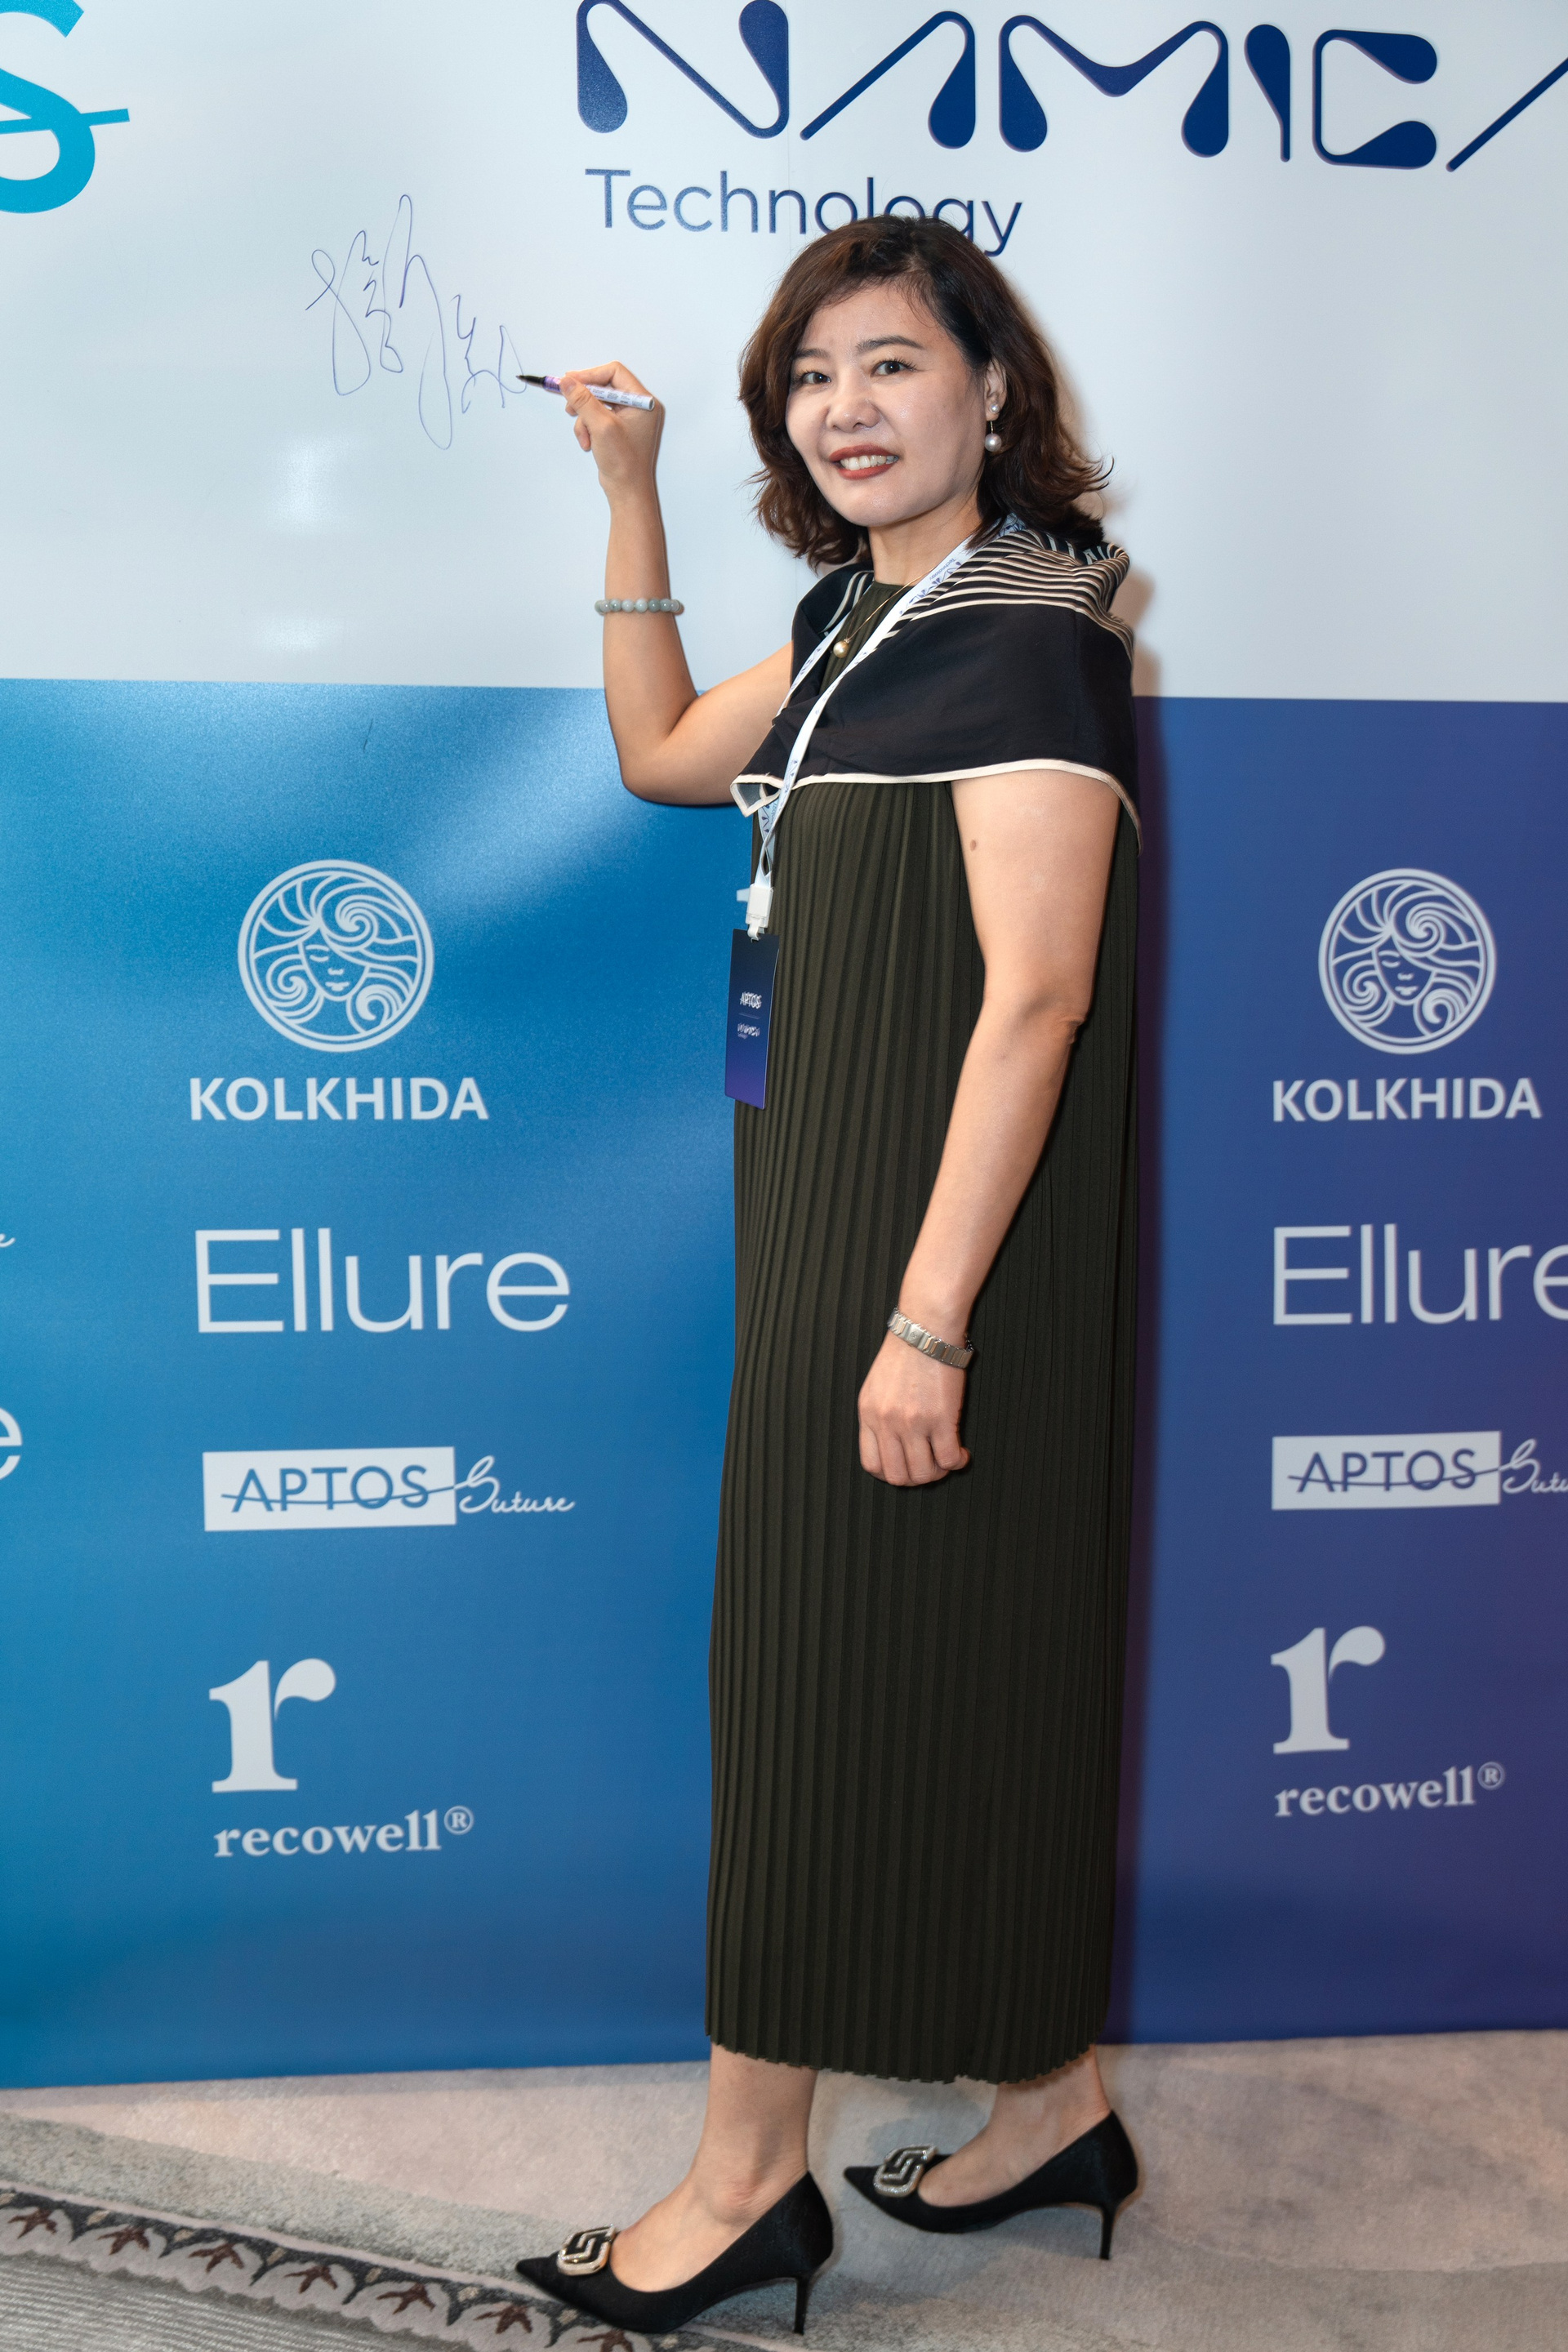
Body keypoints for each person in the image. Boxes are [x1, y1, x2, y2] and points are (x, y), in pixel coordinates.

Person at [517, 215, 1140, 2338]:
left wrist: (926, 1320)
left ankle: (744, 2184)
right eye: (809, 376)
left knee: (809, 1688)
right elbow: (661, 755)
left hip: (939, 1256)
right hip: (837, 1220)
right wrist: (630, 494)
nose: (845, 409)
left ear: (991, 388)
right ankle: (1050, 2102)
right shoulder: (860, 621)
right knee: (968, 1665)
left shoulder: (1030, 633)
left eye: (891, 364)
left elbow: (1037, 1001)